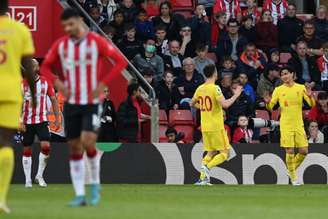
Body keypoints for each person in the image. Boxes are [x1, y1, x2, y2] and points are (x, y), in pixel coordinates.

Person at [41, 8, 127, 206]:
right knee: (75, 146)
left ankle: (95, 184)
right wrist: (58, 82)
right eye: (65, 26)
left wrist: (103, 84)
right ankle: (80, 194)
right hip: (71, 102)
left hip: (91, 102)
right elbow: (45, 66)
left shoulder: (96, 42)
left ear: (79, 21)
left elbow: (120, 62)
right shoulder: (61, 45)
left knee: (88, 140)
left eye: (71, 24)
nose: (68, 29)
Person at [0, 0, 36, 213]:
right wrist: (33, 92)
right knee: (4, 142)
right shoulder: (20, 29)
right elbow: (30, 67)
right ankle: (1, 198)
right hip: (10, 92)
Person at [190, 64, 242, 185]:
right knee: (225, 153)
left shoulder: (200, 88)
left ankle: (203, 179)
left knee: (211, 152)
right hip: (216, 126)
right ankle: (207, 168)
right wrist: (236, 94)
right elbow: (225, 104)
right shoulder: (215, 88)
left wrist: (203, 108)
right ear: (215, 73)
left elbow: (192, 104)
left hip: (205, 126)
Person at [264, 66, 316, 185]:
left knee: (304, 151)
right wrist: (267, 103)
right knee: (290, 150)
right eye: (282, 74)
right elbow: (271, 107)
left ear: (292, 74)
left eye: (286, 73)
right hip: (286, 124)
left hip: (298, 124)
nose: (284, 76)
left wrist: (310, 95)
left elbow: (312, 104)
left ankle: (290, 169)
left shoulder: (301, 88)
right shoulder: (278, 89)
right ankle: (294, 178)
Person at [21, 59, 60, 188]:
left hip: (42, 120)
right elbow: (17, 104)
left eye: (33, 66)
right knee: (27, 148)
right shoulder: (22, 84)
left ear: (36, 68)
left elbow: (53, 99)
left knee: (46, 146)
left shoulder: (45, 82)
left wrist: (57, 117)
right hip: (27, 121)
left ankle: (39, 175)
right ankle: (28, 180)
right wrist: (18, 120)